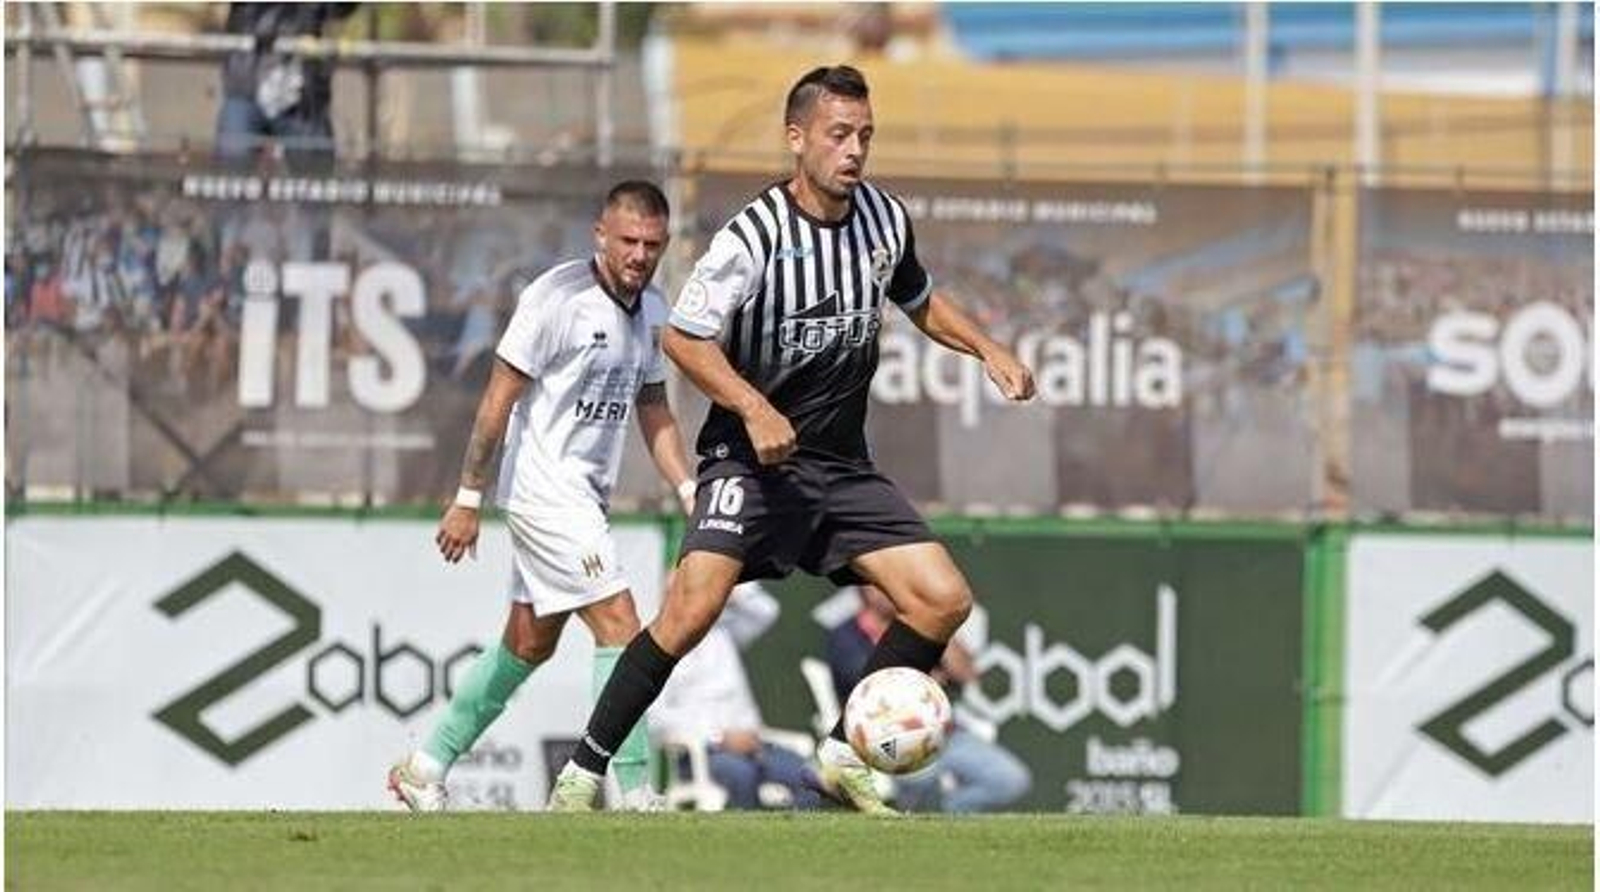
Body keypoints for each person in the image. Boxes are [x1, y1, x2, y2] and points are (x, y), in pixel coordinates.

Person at [547, 64, 1036, 815]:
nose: (854, 150)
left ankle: (840, 757)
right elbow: (684, 337)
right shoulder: (754, 235)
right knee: (690, 610)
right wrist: (753, 408)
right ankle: (584, 771)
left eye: (865, 135)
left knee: (941, 601)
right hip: (750, 460)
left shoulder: (884, 220)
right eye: (839, 134)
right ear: (797, 138)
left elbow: (920, 299)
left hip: (839, 466)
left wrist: (988, 349)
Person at [386, 181, 697, 813]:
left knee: (529, 642)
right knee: (621, 625)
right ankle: (634, 790)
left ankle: (425, 766)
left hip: (584, 497)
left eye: (652, 245)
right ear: (600, 235)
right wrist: (468, 497)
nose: (639, 255)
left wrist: (689, 488)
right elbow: (497, 400)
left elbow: (654, 408)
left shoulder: (654, 310)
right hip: (544, 492)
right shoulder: (555, 299)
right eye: (629, 241)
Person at [826, 584, 1031, 813]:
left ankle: (951, 816)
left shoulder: (918, 628)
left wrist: (940, 629)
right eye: (885, 587)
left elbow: (967, 674)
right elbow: (874, 686)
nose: (895, 593)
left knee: (1010, 779)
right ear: (867, 591)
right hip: (887, 739)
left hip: (945, 733)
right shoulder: (847, 635)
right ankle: (917, 820)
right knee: (922, 779)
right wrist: (924, 678)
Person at [648, 583, 823, 811]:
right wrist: (719, 737)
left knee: (807, 777)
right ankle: (748, 834)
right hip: (703, 754)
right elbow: (655, 719)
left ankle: (798, 833)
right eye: (682, 593)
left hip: (755, 746)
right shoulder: (659, 650)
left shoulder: (723, 631)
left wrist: (731, 586)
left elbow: (767, 610)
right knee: (741, 775)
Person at [215, 3, 357, 169]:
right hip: (246, 86)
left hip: (303, 96)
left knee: (314, 170)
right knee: (232, 165)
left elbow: (341, 9)